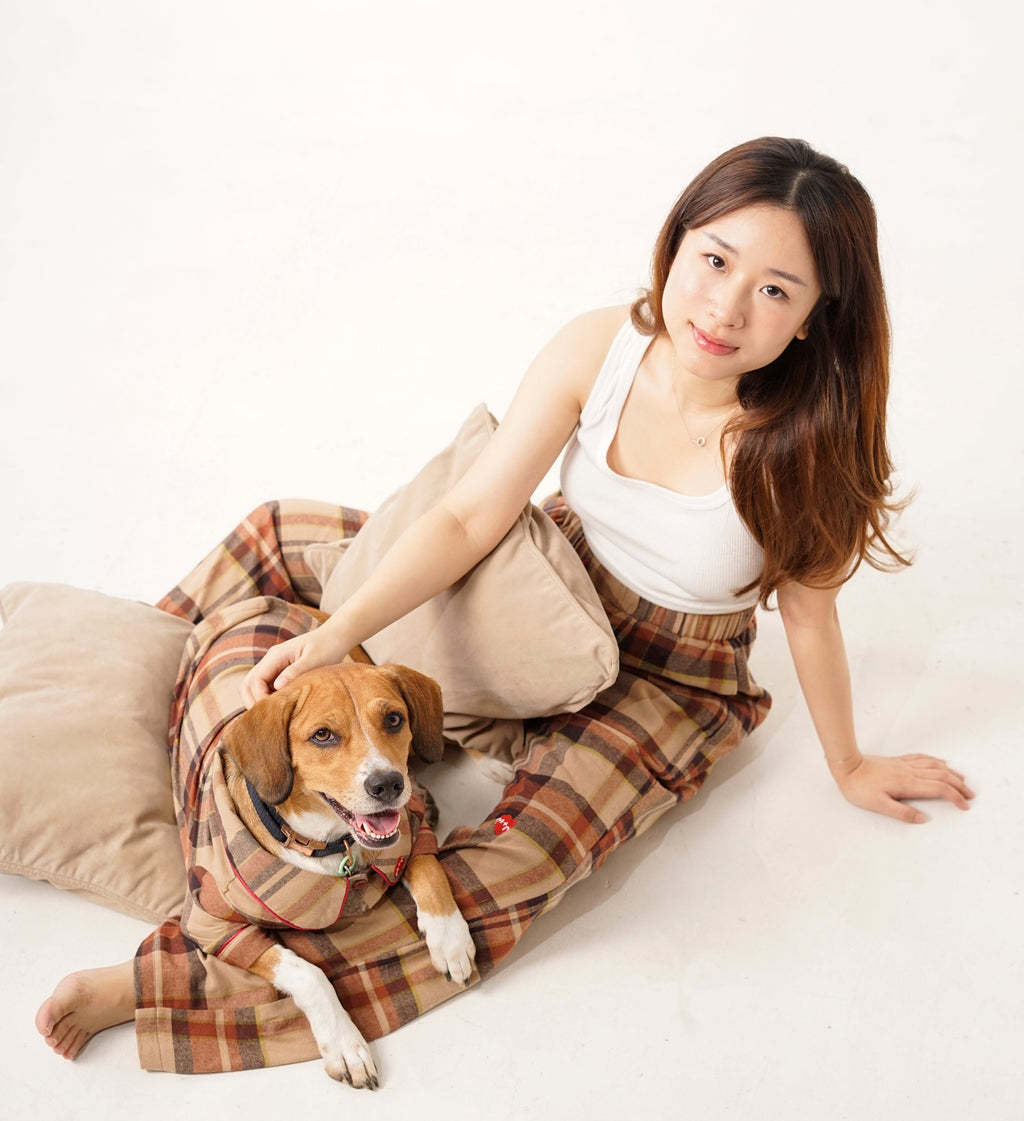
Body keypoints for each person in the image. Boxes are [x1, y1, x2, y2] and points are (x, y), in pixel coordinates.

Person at [36, 137, 973, 1070]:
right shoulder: (604, 345)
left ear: (813, 318)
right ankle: (134, 691)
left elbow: (809, 615)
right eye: (716, 260)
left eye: (775, 289)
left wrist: (849, 763)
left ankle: (171, 978)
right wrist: (337, 633)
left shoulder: (805, 448)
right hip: (540, 575)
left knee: (517, 862)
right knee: (280, 534)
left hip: (663, 677)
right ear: (677, 241)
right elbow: (470, 514)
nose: (726, 307)